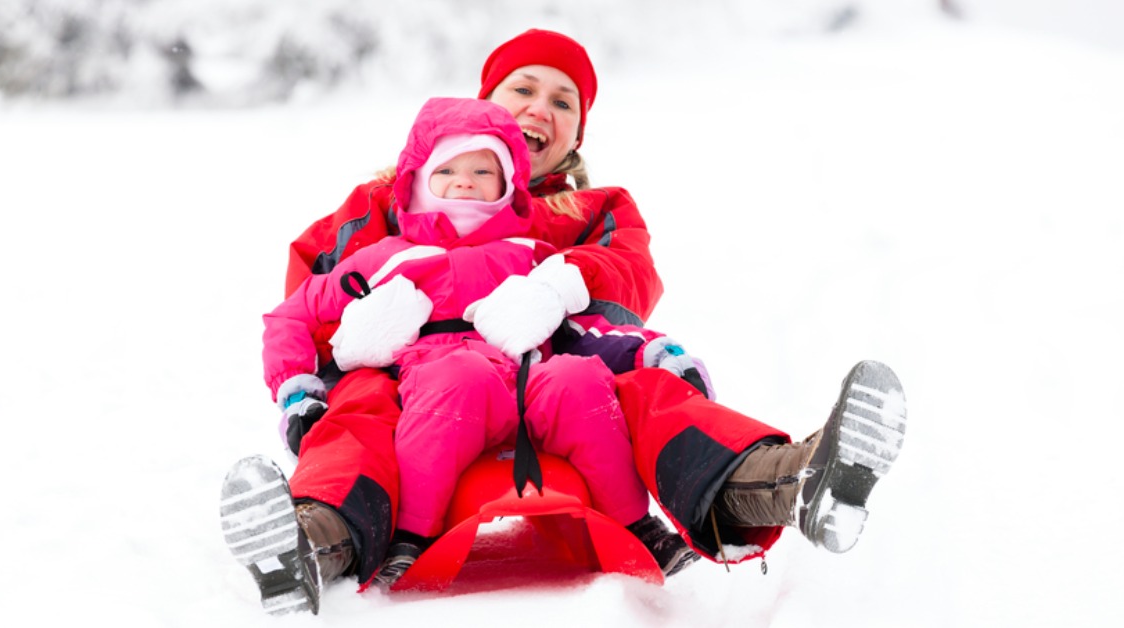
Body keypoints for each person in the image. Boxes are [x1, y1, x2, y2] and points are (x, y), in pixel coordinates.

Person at [220, 29, 907, 616]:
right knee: (360, 408)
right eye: (523, 89)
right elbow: (311, 294)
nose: (539, 108)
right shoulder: (397, 196)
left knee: (644, 391)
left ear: (579, 132)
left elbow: (629, 279)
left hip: (551, 367)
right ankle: (313, 540)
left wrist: (566, 281)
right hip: (413, 385)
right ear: (485, 103)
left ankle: (789, 482)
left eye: (562, 100)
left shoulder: (590, 211)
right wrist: (353, 345)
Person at [260, 97, 695, 589]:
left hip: (529, 381)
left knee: (579, 378)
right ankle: (411, 538)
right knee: (458, 376)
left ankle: (638, 525)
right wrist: (298, 393)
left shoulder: (531, 254)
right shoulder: (385, 257)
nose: (465, 181)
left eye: (482, 169)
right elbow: (291, 315)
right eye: (447, 169)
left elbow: (584, 323)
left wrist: (654, 350)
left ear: (509, 183)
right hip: (441, 389)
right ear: (416, 181)